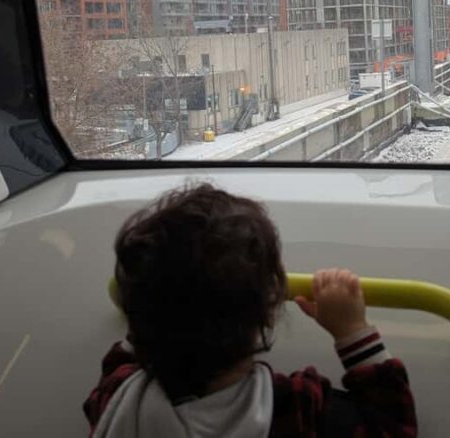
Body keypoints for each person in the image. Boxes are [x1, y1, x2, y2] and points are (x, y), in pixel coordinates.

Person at [84, 183, 417, 437]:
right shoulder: (296, 407)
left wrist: (154, 291)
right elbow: (392, 428)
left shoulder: (117, 396)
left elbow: (128, 352)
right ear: (269, 308)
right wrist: (352, 331)